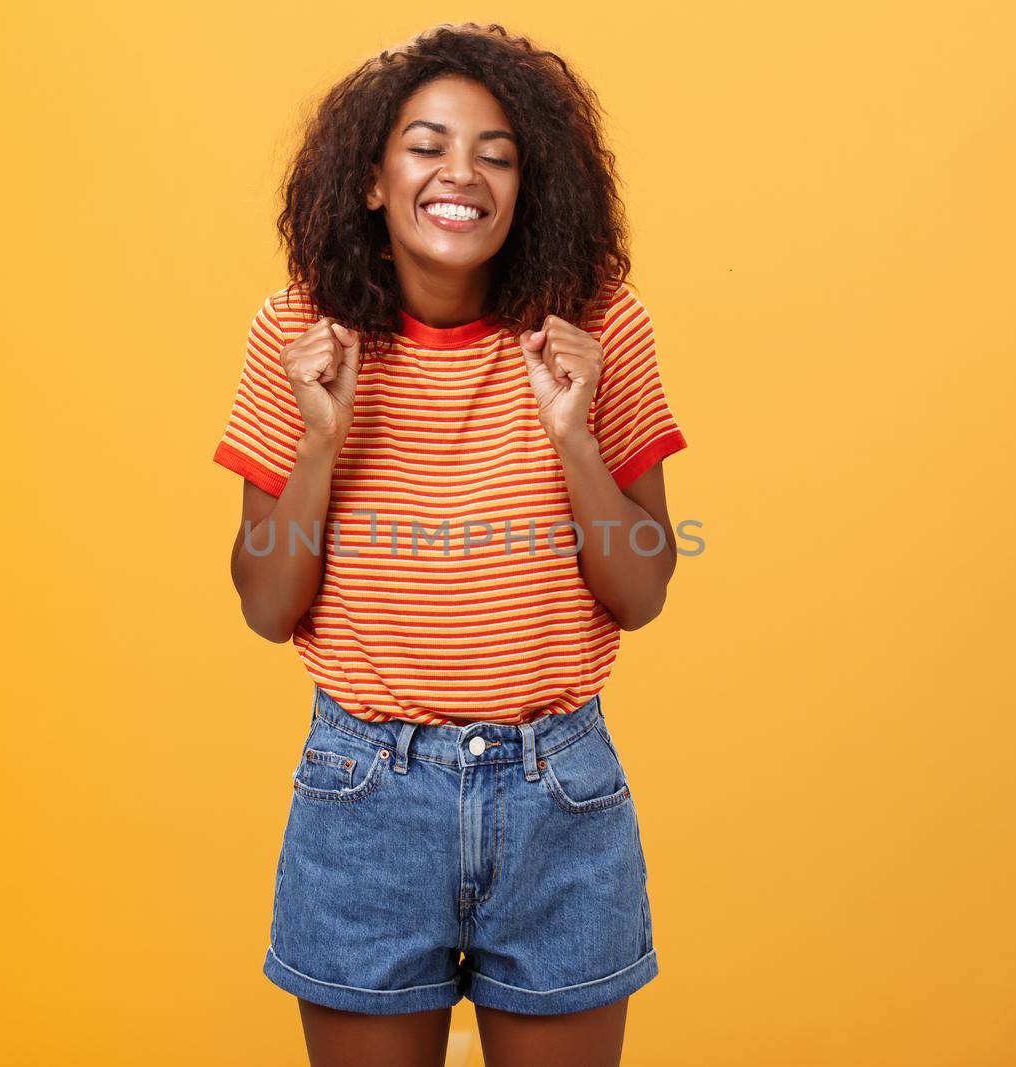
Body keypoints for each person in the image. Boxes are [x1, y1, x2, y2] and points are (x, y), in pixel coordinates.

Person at [212, 23, 689, 1067]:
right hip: (364, 796)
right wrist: (322, 436)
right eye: (426, 145)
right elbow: (265, 607)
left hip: (557, 791)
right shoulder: (298, 331)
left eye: (496, 153)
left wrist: (571, 430)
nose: (460, 174)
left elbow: (641, 588)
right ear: (374, 179)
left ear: (529, 186)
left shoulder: (599, 329)